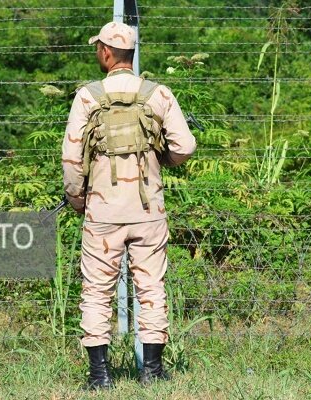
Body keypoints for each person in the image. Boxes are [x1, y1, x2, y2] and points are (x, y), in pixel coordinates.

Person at [62, 21, 196, 389]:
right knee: (151, 286)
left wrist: (77, 199)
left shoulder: (88, 96)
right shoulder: (158, 94)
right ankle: (151, 372)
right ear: (131, 53)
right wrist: (159, 161)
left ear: (106, 52)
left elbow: (72, 160)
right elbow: (185, 146)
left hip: (102, 213)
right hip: (148, 210)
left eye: (98, 48)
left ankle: (100, 376)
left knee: (96, 290)